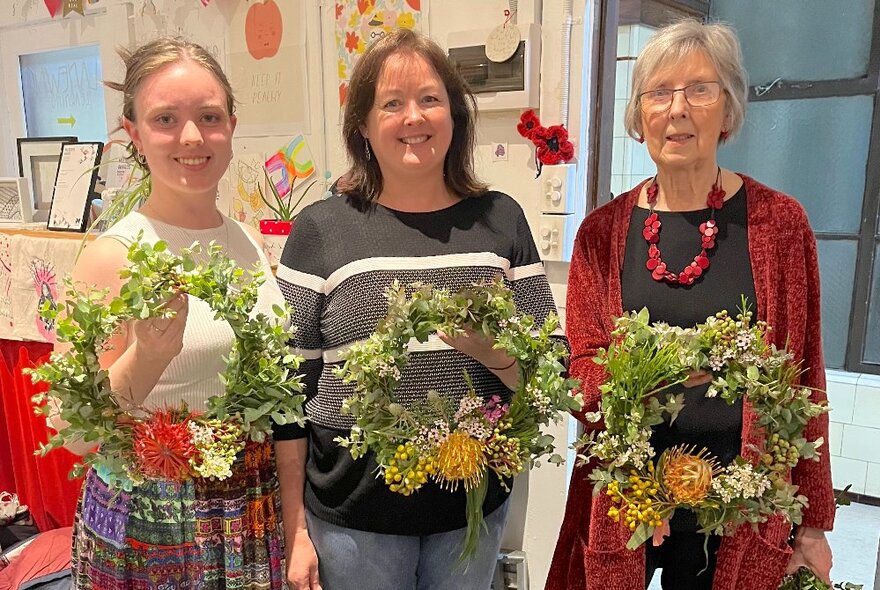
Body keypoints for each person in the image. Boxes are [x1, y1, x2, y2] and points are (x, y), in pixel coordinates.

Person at [546, 19, 834, 590]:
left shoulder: (780, 224)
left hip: (743, 504)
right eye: (659, 92)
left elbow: (804, 377)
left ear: (727, 110)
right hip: (630, 500)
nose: (677, 109)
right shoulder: (601, 234)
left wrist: (813, 523)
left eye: (700, 89)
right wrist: (633, 476)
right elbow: (583, 365)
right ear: (639, 115)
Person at [273, 29, 564, 590]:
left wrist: (502, 359)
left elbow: (551, 365)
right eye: (392, 103)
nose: (414, 117)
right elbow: (289, 392)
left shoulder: (500, 220)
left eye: (430, 99)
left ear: (455, 114)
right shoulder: (320, 230)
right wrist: (296, 530)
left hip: (470, 513)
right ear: (362, 124)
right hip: (354, 520)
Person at [60, 38, 287, 589]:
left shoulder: (244, 241)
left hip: (248, 512)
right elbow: (74, 432)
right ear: (133, 134)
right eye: (166, 119)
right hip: (153, 526)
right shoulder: (112, 255)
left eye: (209, 117)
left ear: (231, 125)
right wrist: (149, 355)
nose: (191, 137)